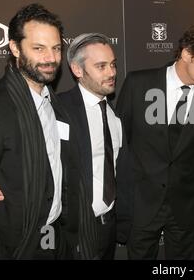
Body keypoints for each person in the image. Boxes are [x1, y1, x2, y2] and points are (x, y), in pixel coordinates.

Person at [0, 3, 78, 259]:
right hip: (16, 247)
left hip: (54, 237)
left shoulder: (54, 103)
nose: (50, 58)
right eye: (38, 48)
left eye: (56, 48)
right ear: (14, 48)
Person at [115, 24, 194, 259]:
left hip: (186, 205)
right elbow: (118, 143)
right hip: (142, 203)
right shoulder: (138, 84)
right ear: (187, 53)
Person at [58, 33, 125, 259]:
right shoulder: (58, 110)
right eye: (101, 66)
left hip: (109, 226)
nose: (112, 72)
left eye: (113, 65)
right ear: (77, 70)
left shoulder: (114, 114)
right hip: (74, 231)